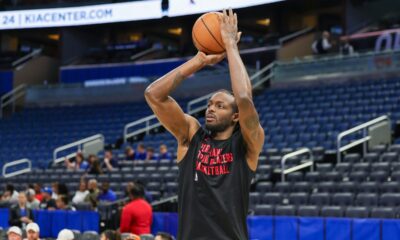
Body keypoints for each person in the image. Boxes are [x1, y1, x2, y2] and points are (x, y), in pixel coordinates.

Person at [144, 9, 264, 240]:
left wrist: (230, 45)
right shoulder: (191, 136)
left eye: (220, 106)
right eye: (209, 104)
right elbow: (153, 95)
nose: (210, 108)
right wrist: (199, 60)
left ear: (236, 116)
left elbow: (244, 99)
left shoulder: (247, 142)